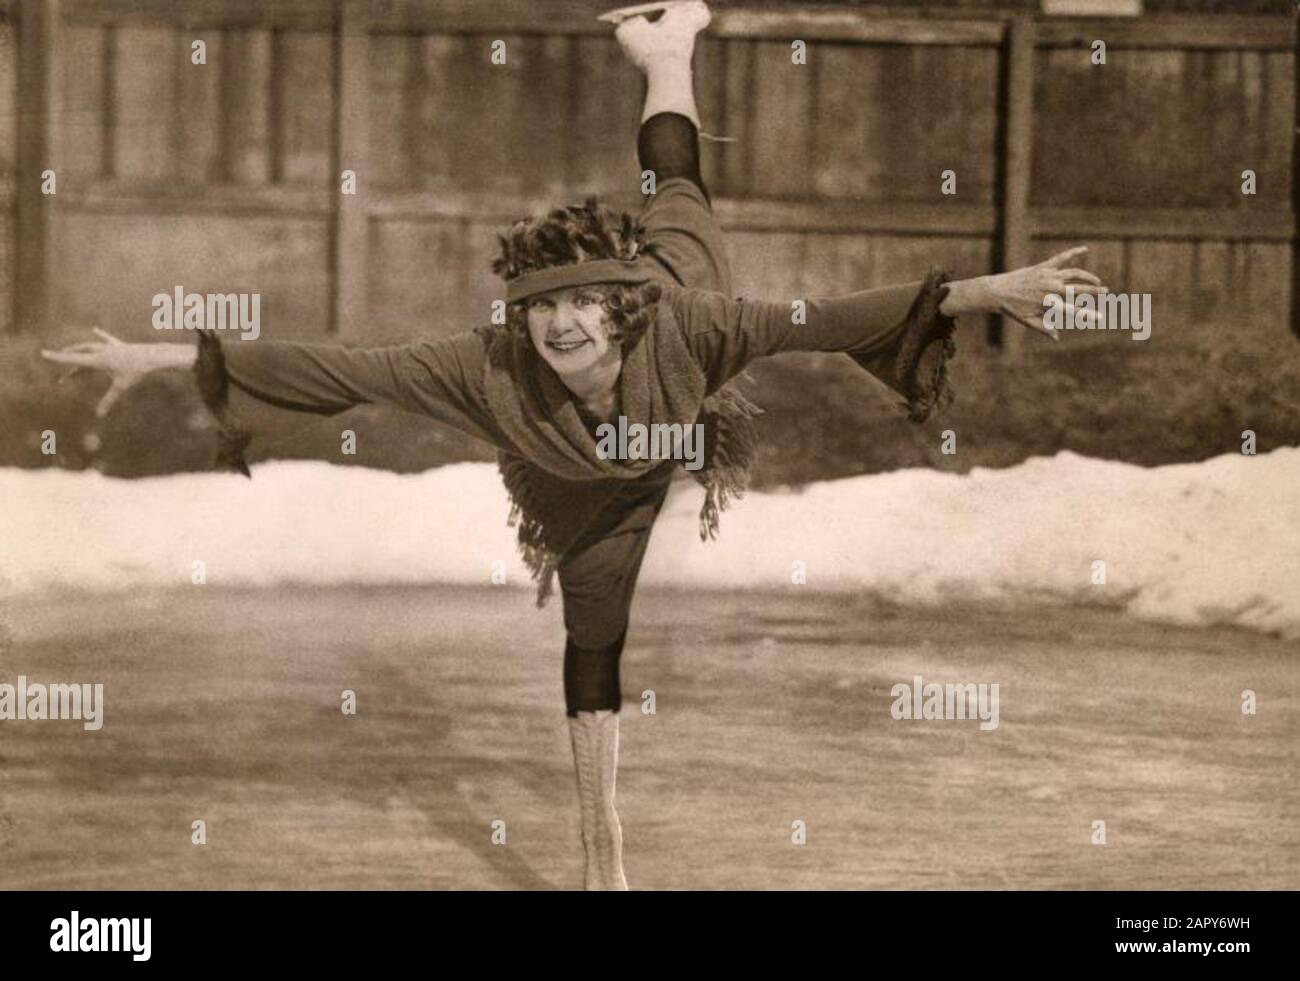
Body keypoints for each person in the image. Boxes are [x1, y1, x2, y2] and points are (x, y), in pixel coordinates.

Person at [42, 0, 1106, 890]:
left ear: (617, 309)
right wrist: (147, 354)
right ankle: (605, 859)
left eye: (586, 307)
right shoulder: (485, 363)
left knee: (676, 195)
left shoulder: (688, 320)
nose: (563, 327)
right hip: (578, 495)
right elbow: (338, 367)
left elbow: (837, 316)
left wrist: (994, 288)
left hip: (677, 318)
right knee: (592, 641)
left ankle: (667, 48)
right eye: (546, 312)